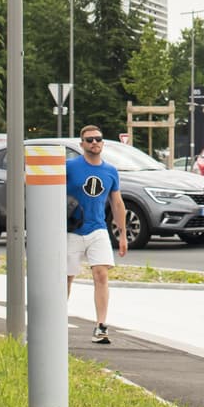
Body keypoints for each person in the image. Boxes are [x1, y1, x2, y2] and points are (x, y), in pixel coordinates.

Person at [67, 124, 128, 344]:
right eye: (90, 140)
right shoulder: (70, 167)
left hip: (98, 228)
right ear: (81, 144)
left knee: (101, 274)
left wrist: (122, 234)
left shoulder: (110, 171)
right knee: (66, 278)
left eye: (98, 139)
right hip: (71, 230)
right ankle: (56, 322)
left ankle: (101, 326)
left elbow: (117, 203)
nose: (94, 143)